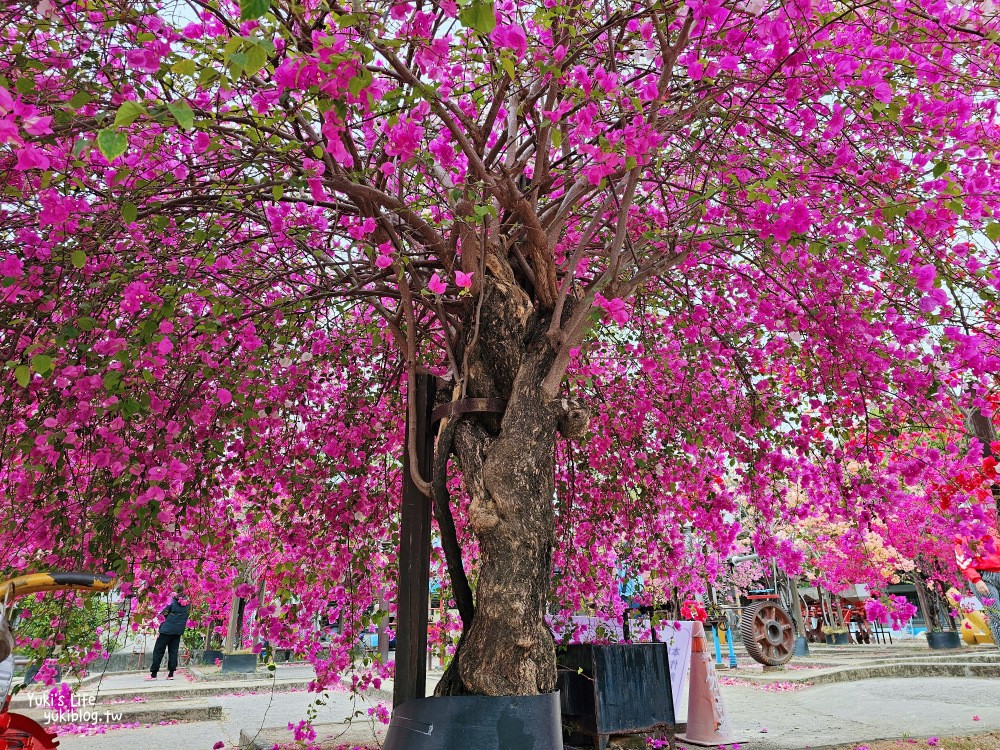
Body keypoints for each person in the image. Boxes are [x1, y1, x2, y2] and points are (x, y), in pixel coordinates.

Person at [955, 533, 1000, 651]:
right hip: (983, 578)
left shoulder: (991, 530)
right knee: (997, 615)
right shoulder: (962, 533)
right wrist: (976, 579)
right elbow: (963, 559)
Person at [146, 584, 189, 680]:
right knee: (173, 651)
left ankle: (153, 674)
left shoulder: (171, 602)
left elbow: (162, 614)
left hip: (166, 630)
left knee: (158, 650)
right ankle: (171, 674)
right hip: (178, 631)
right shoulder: (187, 604)